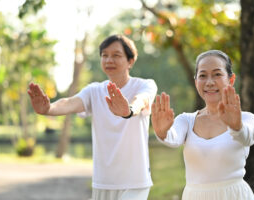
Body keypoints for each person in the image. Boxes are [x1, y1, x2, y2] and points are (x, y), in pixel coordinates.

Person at [28, 35, 157, 200]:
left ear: (130, 61)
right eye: (105, 55)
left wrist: (129, 110)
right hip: (103, 181)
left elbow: (141, 100)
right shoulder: (94, 91)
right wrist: (49, 109)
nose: (109, 60)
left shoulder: (145, 85)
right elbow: (69, 102)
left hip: (135, 181)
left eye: (116, 55)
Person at [151, 50, 254, 200]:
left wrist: (236, 126)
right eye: (202, 75)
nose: (209, 82)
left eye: (217, 74)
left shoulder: (246, 118)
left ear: (231, 79)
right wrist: (162, 132)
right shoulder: (187, 120)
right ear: (196, 81)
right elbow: (172, 137)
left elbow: (247, 137)